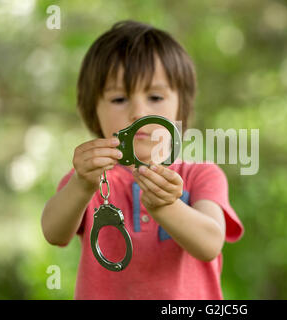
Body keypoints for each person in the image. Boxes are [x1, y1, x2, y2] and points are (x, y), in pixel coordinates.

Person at [41, 20, 244, 299]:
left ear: (179, 107)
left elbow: (210, 244)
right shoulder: (89, 178)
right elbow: (54, 233)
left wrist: (166, 207)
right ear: (93, 111)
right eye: (119, 99)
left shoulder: (202, 175)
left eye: (155, 96)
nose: (138, 112)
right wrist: (81, 185)